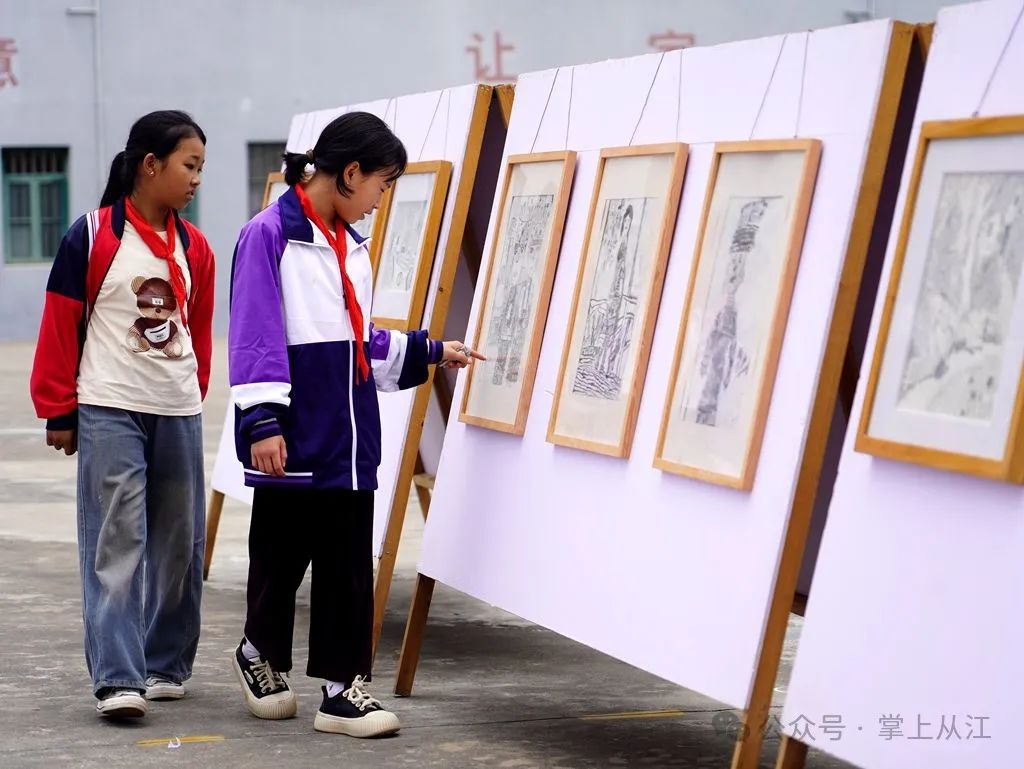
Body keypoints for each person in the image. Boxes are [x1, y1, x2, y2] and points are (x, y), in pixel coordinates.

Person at [228, 111, 482, 738]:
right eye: (381, 184)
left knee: (346, 563)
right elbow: (254, 336)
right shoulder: (269, 236)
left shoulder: (350, 247)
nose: (380, 199)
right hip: (291, 434)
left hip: (349, 437)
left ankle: (342, 690)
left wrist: (428, 350)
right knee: (280, 560)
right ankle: (257, 653)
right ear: (349, 173)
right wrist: (262, 424)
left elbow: (358, 341)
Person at [29, 110, 215, 718]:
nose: (195, 180)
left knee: (180, 544)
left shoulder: (197, 247)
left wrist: (194, 388)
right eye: (189, 166)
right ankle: (117, 677)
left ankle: (165, 664)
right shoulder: (92, 236)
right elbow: (60, 323)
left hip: (177, 411)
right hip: (109, 406)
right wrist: (59, 409)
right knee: (117, 541)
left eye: (201, 168)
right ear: (150, 165)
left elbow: (201, 332)